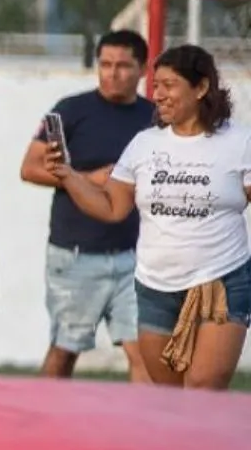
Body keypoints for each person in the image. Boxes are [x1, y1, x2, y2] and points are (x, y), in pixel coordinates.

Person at [46, 44, 251, 389]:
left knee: (202, 388)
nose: (157, 95)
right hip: (156, 287)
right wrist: (67, 174)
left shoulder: (239, 141)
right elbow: (112, 207)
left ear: (201, 88)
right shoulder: (144, 144)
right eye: (155, 86)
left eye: (169, 85)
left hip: (221, 282)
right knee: (167, 397)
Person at [18, 29, 156, 382]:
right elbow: (30, 168)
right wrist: (89, 179)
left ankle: (149, 433)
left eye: (123, 65)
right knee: (65, 349)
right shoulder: (71, 110)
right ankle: (44, 429)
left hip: (135, 255)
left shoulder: (154, 118)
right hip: (76, 255)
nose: (112, 73)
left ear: (143, 68)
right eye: (105, 64)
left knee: (143, 351)